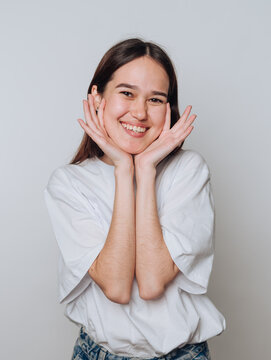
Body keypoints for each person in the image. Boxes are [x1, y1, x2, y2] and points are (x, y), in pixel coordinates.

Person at [44, 38, 225, 360]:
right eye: (127, 93)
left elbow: (153, 282)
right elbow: (116, 287)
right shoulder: (69, 183)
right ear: (97, 98)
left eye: (155, 99)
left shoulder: (188, 169)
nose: (140, 112)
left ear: (169, 108)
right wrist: (124, 172)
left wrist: (145, 169)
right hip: (98, 353)